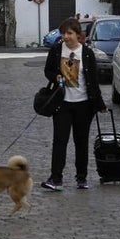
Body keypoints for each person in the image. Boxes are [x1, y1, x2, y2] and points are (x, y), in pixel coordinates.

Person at [40, 16, 106, 191]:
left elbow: (93, 80)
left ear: (78, 34)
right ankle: (56, 178)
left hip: (83, 104)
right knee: (59, 141)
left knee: (81, 142)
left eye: (69, 33)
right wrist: (56, 76)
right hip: (62, 103)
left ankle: (81, 178)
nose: (66, 37)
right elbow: (48, 70)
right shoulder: (56, 50)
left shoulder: (86, 53)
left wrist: (100, 104)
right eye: (63, 33)